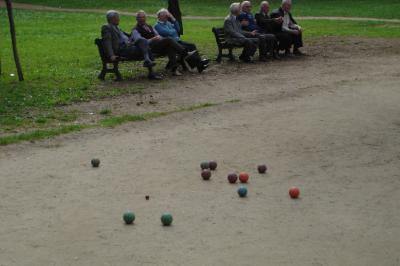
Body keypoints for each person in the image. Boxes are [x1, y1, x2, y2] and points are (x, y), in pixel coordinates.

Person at [101, 10, 161, 80]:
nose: (119, 19)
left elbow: (126, 36)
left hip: (129, 46)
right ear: (112, 19)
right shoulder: (107, 27)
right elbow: (107, 42)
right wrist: (111, 55)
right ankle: (150, 70)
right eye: (117, 17)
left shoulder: (117, 27)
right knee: (145, 48)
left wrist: (132, 36)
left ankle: (147, 61)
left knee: (142, 40)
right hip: (122, 49)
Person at [132, 10, 193, 76]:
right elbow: (139, 41)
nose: (142, 19)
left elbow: (158, 35)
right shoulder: (135, 30)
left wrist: (159, 38)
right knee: (168, 39)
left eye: (143, 17)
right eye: (140, 17)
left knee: (170, 47)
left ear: (146, 18)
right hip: (148, 48)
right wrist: (152, 39)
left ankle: (174, 69)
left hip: (157, 45)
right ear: (136, 19)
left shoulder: (149, 26)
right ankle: (185, 53)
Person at [154, 8, 209, 73]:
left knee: (192, 45)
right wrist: (173, 30)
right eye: (165, 15)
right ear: (160, 16)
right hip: (172, 44)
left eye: (167, 15)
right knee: (185, 49)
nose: (167, 17)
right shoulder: (157, 25)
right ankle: (199, 65)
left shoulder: (168, 23)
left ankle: (199, 65)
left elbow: (178, 29)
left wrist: (173, 18)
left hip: (178, 41)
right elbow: (168, 33)